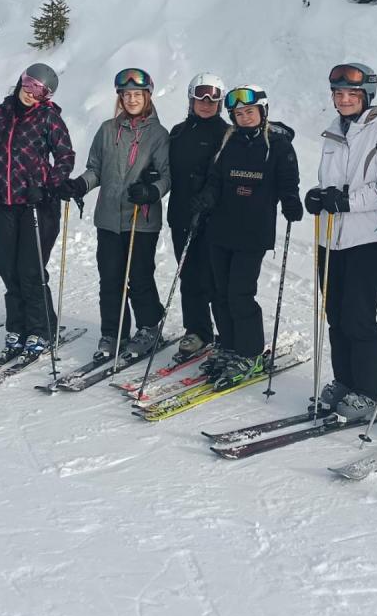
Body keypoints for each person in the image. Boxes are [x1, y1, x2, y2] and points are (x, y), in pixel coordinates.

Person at [305, 63, 377, 420]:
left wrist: (347, 202)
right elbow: (331, 183)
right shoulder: (333, 132)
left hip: (369, 239)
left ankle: (370, 390)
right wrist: (318, 196)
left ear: (367, 96)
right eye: (339, 93)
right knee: (335, 314)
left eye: (352, 93)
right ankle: (346, 380)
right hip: (331, 238)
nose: (344, 99)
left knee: (358, 317)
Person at [57, 68, 171, 362]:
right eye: (126, 94)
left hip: (141, 220)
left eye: (137, 94)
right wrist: (80, 185)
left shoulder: (158, 135)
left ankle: (149, 327)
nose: (131, 99)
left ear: (147, 96)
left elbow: (167, 176)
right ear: (120, 97)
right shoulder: (107, 130)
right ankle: (114, 332)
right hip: (108, 219)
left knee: (140, 277)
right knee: (110, 279)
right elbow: (95, 168)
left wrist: (151, 190)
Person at [192, 85, 302, 386]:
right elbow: (216, 179)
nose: (244, 117)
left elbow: (288, 181)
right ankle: (229, 345)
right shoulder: (229, 141)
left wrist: (291, 202)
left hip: (253, 231)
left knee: (240, 293)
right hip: (221, 228)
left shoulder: (277, 145)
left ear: (262, 111)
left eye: (249, 111)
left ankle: (250, 352)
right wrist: (207, 197)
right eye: (238, 114)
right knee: (219, 292)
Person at [0, 63, 75, 360]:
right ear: (21, 81)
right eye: (29, 85)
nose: (32, 93)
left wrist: (47, 187)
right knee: (7, 269)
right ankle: (17, 327)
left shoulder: (49, 118)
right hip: (3, 204)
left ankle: (41, 329)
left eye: (41, 91)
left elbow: (65, 157)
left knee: (30, 270)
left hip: (36, 205)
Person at [166, 73, 228, 359]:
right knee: (189, 275)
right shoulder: (178, 132)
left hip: (213, 218)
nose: (206, 104)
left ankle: (227, 335)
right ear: (191, 100)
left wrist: (209, 200)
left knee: (214, 278)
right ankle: (197, 330)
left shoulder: (227, 134)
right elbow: (166, 169)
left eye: (212, 100)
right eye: (200, 98)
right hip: (181, 214)